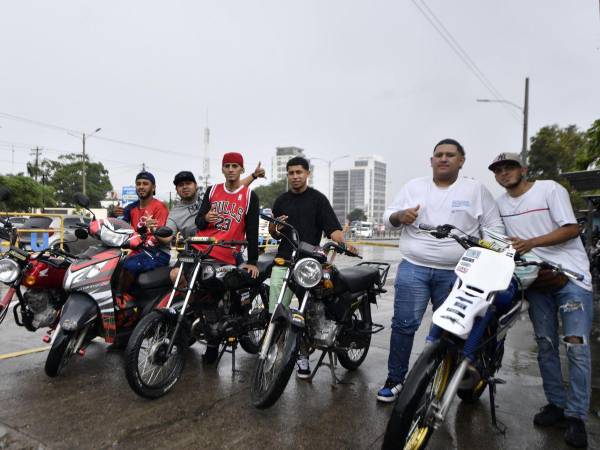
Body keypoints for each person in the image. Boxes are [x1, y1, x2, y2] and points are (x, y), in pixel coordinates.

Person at [377, 138, 504, 402]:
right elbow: (387, 217)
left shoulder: (475, 190)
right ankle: (396, 380)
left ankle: (442, 381)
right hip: (414, 269)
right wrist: (400, 216)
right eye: (438, 155)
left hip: (458, 274)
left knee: (452, 330)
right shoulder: (414, 187)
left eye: (450, 155)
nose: (443, 159)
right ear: (431, 160)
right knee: (403, 325)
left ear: (461, 161)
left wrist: (490, 259)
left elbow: (495, 230)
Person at [489, 152, 592, 448]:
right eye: (498, 170)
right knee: (545, 344)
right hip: (536, 280)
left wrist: (531, 242)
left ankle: (577, 416)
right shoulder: (499, 205)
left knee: (575, 346)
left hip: (571, 278)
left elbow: (573, 229)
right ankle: (557, 405)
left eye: (509, 167)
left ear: (523, 169)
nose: (504, 173)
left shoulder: (549, 189)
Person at [269, 156, 356, 378]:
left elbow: (333, 230)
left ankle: (303, 357)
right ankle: (272, 355)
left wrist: (344, 243)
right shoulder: (281, 200)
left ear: (307, 173)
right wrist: (274, 228)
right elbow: (273, 231)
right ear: (287, 175)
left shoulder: (318, 200)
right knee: (275, 313)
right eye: (291, 173)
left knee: (307, 313)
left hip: (308, 264)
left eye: (299, 172)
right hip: (283, 260)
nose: (295, 176)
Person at [113, 171, 170, 302]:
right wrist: (114, 214)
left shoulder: (160, 207)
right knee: (113, 265)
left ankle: (119, 300)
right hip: (137, 251)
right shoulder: (130, 208)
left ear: (153, 187)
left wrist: (154, 229)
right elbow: (120, 224)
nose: (141, 186)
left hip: (157, 253)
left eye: (145, 183)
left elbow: (162, 234)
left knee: (130, 265)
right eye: (138, 184)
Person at [167, 163, 266, 237]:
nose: (184, 187)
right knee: (177, 266)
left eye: (188, 183)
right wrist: (155, 232)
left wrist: (253, 176)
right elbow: (167, 235)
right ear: (176, 189)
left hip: (220, 244)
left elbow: (235, 188)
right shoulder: (174, 213)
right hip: (193, 249)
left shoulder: (209, 194)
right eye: (180, 185)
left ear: (196, 185)